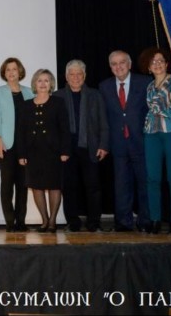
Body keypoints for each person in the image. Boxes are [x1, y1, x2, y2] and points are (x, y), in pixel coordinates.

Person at [99, 50, 152, 232]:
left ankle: (146, 221)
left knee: (145, 184)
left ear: (129, 64)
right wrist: (104, 144)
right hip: (118, 144)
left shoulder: (145, 82)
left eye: (122, 62)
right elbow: (103, 118)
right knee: (121, 186)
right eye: (114, 64)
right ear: (110, 67)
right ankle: (123, 222)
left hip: (142, 142)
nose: (118, 66)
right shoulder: (104, 86)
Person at [53, 59, 109, 232]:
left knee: (93, 187)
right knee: (69, 187)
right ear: (66, 77)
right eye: (72, 74)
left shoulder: (95, 95)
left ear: (84, 76)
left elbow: (103, 122)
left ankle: (94, 222)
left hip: (90, 147)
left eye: (79, 74)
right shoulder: (57, 96)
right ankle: (73, 222)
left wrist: (104, 145)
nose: (76, 77)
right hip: (66, 149)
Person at [139, 47, 171, 235]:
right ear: (148, 67)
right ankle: (155, 220)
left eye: (160, 60)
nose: (157, 64)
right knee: (152, 178)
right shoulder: (150, 86)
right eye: (153, 62)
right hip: (151, 133)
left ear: (167, 64)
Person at [16, 69, 71, 233]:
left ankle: (53, 221)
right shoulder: (26, 105)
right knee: (37, 187)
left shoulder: (58, 103)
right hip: (33, 152)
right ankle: (44, 220)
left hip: (54, 152)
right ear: (35, 83)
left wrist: (65, 151)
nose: (43, 84)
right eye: (39, 80)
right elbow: (20, 131)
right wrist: (21, 154)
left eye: (46, 80)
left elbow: (65, 129)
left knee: (54, 186)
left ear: (51, 84)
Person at [0, 57, 33, 232]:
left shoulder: (30, 92)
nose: (11, 72)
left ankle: (21, 221)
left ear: (20, 71)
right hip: (5, 144)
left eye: (14, 69)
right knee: (7, 183)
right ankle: (10, 222)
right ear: (4, 73)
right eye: (8, 70)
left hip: (25, 145)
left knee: (23, 184)